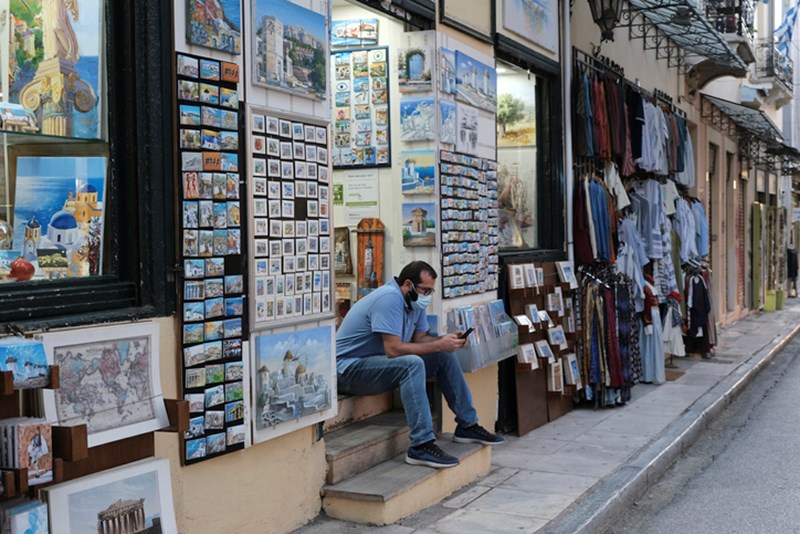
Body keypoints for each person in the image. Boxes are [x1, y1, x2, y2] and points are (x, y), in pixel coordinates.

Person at [336, 261, 504, 469]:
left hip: (378, 366)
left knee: (443, 356)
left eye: (430, 291)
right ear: (408, 284)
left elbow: (421, 339)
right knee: (412, 364)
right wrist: (438, 345)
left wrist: (446, 341)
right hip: (348, 371)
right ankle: (421, 445)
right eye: (425, 290)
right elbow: (393, 349)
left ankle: (468, 425)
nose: (427, 296)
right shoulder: (388, 299)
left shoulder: (414, 301)